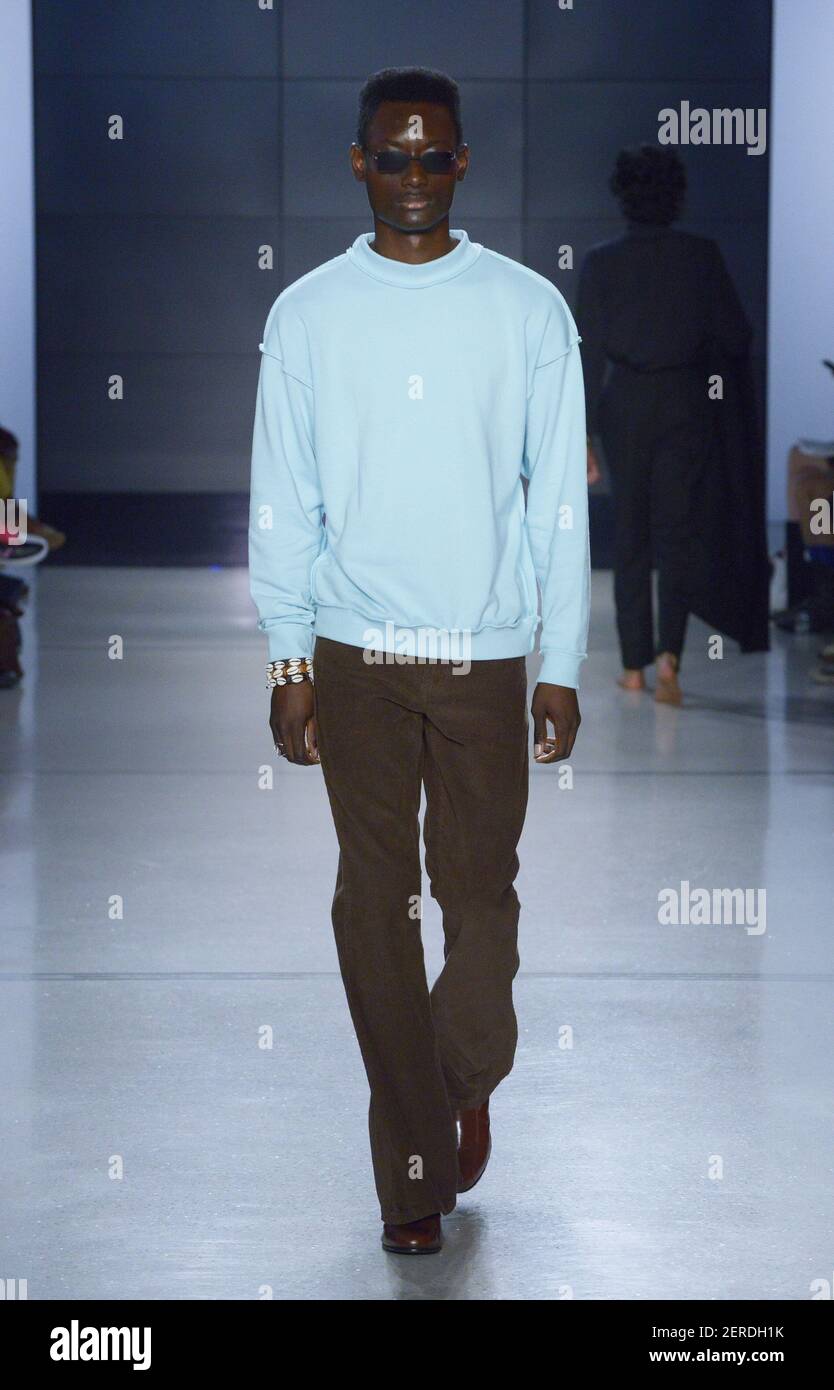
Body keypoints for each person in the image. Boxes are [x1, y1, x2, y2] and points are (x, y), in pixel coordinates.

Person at [248, 67, 590, 1255]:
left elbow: (558, 507)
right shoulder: (307, 314)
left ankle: (462, 1070)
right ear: (357, 164)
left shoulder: (527, 309)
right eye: (389, 156)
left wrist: (564, 659)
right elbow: (285, 500)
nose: (409, 176)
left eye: (430, 156)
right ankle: (412, 1168)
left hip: (488, 655)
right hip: (356, 649)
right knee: (373, 903)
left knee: (481, 896)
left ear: (459, 165)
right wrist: (290, 657)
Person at [577, 145, 753, 704]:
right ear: (677, 195)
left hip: (624, 404)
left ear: (621, 195)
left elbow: (587, 354)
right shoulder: (702, 257)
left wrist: (580, 435)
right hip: (685, 402)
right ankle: (669, 664)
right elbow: (735, 336)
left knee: (630, 534)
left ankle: (632, 668)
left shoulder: (603, 262)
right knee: (676, 532)